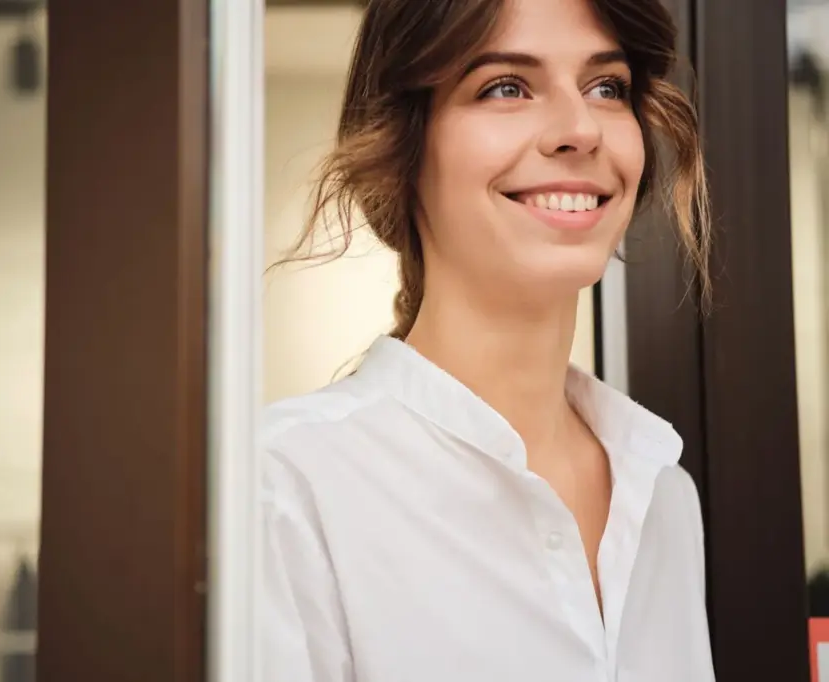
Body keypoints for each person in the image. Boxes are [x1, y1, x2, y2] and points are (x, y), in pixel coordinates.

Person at [262, 0, 715, 680]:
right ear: (402, 145)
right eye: (506, 86)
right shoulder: (286, 487)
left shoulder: (663, 497)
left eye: (606, 87)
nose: (579, 129)